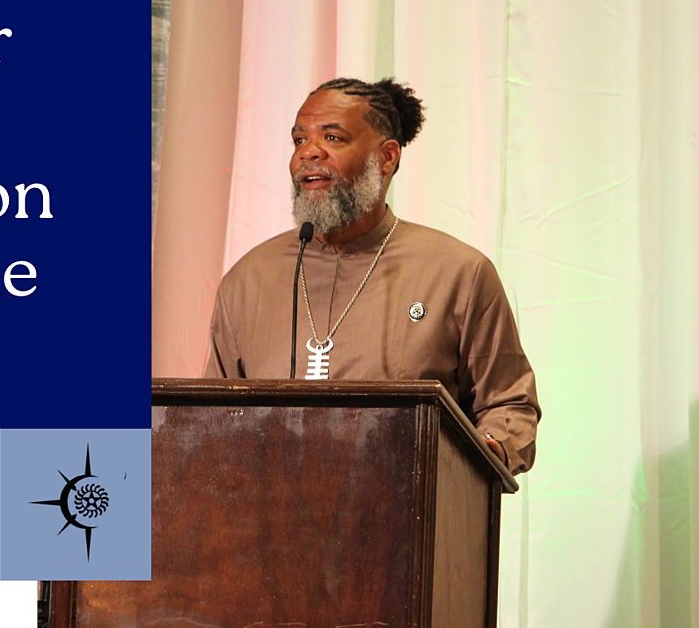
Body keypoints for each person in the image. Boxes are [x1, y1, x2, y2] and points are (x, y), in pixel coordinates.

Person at [203, 77, 539, 473]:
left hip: (407, 503)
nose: (309, 152)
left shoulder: (458, 273)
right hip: (268, 505)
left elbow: (509, 405)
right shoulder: (249, 279)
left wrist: (486, 453)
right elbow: (209, 418)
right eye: (299, 140)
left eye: (333, 137)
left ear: (387, 157)